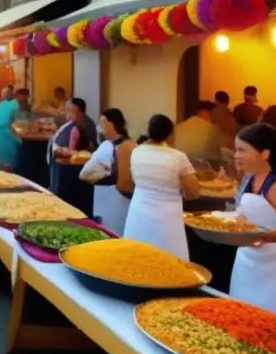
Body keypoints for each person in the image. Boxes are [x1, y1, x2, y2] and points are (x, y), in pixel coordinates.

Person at [229, 123, 276, 322]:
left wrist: (259, 235)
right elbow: (244, 215)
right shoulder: (247, 179)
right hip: (246, 263)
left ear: (264, 154)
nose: (236, 155)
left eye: (242, 150)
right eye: (236, 149)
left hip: (274, 269)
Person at [124, 114, 200, 259]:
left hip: (138, 209)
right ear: (170, 135)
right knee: (168, 258)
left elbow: (133, 180)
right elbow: (193, 192)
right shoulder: (177, 156)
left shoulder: (136, 152)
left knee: (136, 255)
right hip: (167, 214)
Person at [80, 108, 136, 234]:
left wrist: (102, 176)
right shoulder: (106, 144)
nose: (99, 127)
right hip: (102, 195)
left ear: (111, 124)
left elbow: (124, 180)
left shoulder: (125, 146)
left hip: (117, 199)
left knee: (114, 230)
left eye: (102, 123)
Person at [0, 87, 23, 169]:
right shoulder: (16, 105)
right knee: (8, 165)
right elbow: (20, 124)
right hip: (8, 138)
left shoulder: (1, 104)